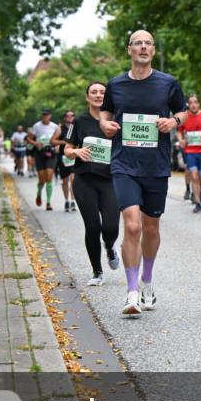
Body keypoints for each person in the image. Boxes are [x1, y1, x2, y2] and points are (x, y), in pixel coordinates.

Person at [100, 30, 187, 316]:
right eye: (138, 43)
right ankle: (131, 292)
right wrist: (104, 125)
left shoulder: (167, 83)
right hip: (124, 164)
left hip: (156, 165)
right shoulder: (116, 85)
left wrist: (173, 122)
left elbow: (182, 111)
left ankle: (146, 281)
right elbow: (105, 113)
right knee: (132, 226)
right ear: (129, 50)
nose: (143, 47)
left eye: (148, 43)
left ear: (153, 50)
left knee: (151, 228)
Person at [64, 82, 121, 286]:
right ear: (87, 97)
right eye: (94, 92)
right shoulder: (78, 122)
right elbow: (67, 150)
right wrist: (76, 151)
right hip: (84, 180)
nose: (98, 95)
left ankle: (110, 246)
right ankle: (97, 272)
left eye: (102, 92)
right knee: (93, 226)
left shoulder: (117, 120)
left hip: (110, 180)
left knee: (111, 227)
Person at [179, 94, 201, 213]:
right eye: (191, 102)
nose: (193, 105)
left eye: (195, 102)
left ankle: (196, 191)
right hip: (190, 152)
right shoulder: (185, 117)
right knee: (194, 176)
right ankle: (198, 203)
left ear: (199, 104)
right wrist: (181, 140)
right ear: (188, 104)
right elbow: (179, 131)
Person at [29, 109, 59, 210]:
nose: (45, 116)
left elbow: (59, 139)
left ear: (50, 116)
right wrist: (36, 143)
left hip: (51, 153)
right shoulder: (36, 126)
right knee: (42, 178)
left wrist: (57, 146)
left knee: (49, 175)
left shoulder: (55, 126)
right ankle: (39, 193)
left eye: (47, 115)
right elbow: (29, 139)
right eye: (43, 115)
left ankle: (48, 203)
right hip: (40, 153)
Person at [53, 110, 77, 212]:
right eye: (67, 115)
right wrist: (65, 142)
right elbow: (52, 141)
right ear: (64, 117)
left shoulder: (77, 127)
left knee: (73, 179)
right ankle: (66, 200)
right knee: (65, 180)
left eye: (72, 115)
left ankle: (73, 201)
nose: (70, 117)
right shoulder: (60, 128)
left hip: (74, 156)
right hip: (63, 157)